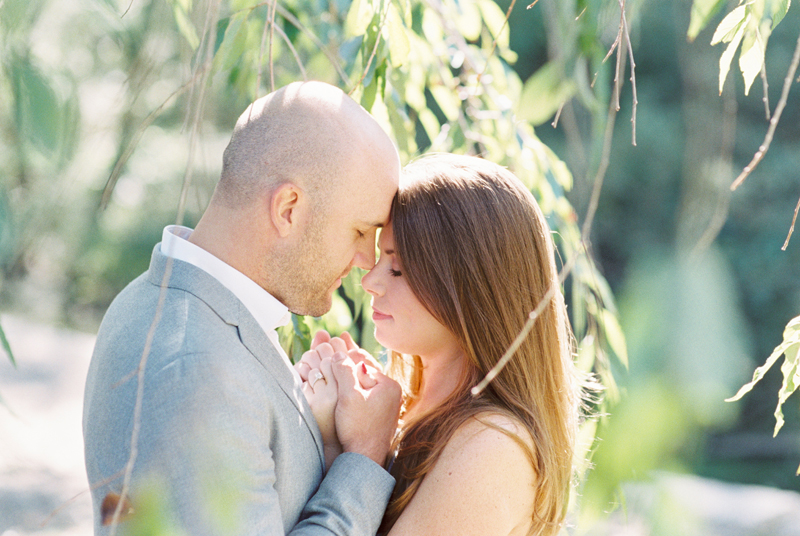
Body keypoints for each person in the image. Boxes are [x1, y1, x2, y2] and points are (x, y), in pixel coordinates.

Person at [82, 81, 403, 535]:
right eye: (358, 231)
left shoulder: (184, 308)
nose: (367, 262)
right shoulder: (192, 367)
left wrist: (325, 443)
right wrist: (365, 455)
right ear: (289, 209)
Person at [298, 153, 588, 536]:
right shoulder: (410, 412)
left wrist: (362, 449)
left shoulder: (492, 445)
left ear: (472, 285)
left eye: (398, 268)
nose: (370, 282)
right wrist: (336, 439)